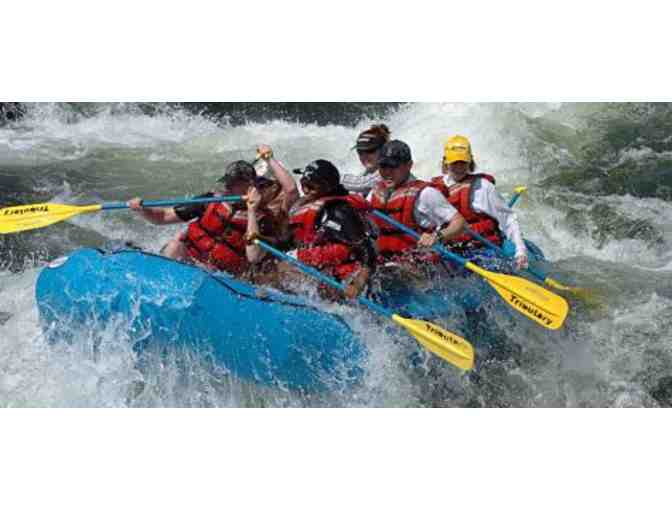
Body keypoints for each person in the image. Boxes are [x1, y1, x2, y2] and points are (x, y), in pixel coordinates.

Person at [128, 159, 293, 277]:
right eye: (227, 182)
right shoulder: (210, 200)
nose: (226, 187)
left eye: (233, 183)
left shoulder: (263, 218)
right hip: (190, 261)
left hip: (222, 277)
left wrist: (251, 211)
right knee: (174, 246)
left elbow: (254, 256)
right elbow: (163, 217)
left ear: (249, 186)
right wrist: (142, 210)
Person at [268, 159, 378, 300]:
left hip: (345, 278)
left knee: (284, 269)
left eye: (311, 186)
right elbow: (288, 242)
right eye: (303, 184)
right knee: (275, 268)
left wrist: (358, 283)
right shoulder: (309, 207)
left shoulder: (339, 211)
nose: (305, 190)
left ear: (326, 187)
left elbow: (367, 249)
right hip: (325, 270)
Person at [431, 135, 529, 270]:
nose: (459, 167)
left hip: (483, 250)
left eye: (463, 162)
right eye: (454, 162)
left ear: (470, 162)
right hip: (451, 251)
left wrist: (520, 251)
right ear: (445, 163)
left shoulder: (483, 186)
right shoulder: (434, 189)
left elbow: (508, 219)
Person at [367, 140, 466, 269]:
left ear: (409, 165)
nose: (387, 172)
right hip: (387, 264)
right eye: (383, 166)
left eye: (393, 166)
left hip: (420, 268)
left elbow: (460, 223)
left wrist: (437, 236)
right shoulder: (375, 193)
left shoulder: (426, 194)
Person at [341, 124, 391, 196]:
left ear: (384, 150)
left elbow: (364, 184)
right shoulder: (366, 173)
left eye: (369, 151)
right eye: (360, 152)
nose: (364, 156)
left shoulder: (390, 170)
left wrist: (332, 177)